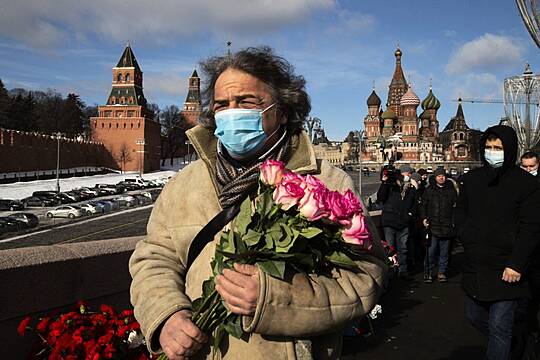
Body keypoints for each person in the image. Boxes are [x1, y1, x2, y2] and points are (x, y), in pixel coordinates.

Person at [129, 46, 387, 360]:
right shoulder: (186, 183)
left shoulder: (327, 184)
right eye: (222, 104)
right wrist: (167, 315)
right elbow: (154, 258)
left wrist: (275, 300)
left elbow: (366, 276)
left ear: (283, 110)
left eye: (247, 102)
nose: (232, 112)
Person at [455, 125, 540, 360]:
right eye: (489, 147)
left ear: (510, 150)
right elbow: (461, 210)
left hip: (507, 268)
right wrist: (464, 233)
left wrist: (517, 264)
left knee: (499, 328)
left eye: (499, 148)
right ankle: (515, 339)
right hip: (476, 264)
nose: (493, 152)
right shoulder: (472, 179)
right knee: (475, 317)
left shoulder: (527, 184)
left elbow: (531, 228)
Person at [377, 164, 417, 279]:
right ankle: (391, 270)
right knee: (390, 248)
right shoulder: (390, 186)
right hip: (389, 221)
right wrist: (384, 183)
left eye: (409, 173)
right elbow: (381, 197)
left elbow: (414, 203)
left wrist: (410, 214)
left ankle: (402, 271)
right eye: (407, 173)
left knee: (403, 248)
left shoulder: (410, 188)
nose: (408, 175)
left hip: (404, 221)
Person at [420, 168, 457, 283]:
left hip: (447, 226)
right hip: (433, 226)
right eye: (439, 176)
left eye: (443, 176)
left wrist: (454, 222)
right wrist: (424, 218)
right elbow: (423, 206)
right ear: (435, 177)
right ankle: (428, 272)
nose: (441, 178)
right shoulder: (429, 190)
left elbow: (456, 208)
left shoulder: (451, 191)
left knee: (444, 252)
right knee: (431, 252)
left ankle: (441, 272)